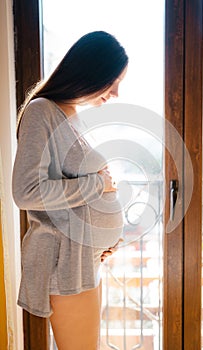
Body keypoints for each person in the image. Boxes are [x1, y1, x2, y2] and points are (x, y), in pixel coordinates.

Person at [12, 31, 128, 349]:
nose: (116, 92)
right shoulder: (41, 110)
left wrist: (102, 237)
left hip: (83, 259)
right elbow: (25, 191)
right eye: (112, 80)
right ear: (90, 71)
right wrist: (98, 184)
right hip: (66, 265)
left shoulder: (71, 114)